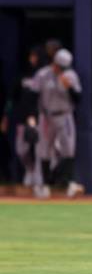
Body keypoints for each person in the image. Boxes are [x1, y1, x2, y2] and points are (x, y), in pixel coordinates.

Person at [30, 48, 84, 199]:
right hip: (47, 116)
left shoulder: (70, 76)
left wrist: (70, 88)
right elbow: (33, 95)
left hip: (65, 115)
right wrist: (32, 117)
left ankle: (68, 183)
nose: (60, 69)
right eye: (58, 66)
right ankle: (45, 185)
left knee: (69, 149)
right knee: (44, 150)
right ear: (54, 62)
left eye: (63, 67)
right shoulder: (42, 74)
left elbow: (78, 99)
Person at [1, 46, 43, 188]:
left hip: (39, 118)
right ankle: (29, 170)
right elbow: (12, 98)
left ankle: (38, 176)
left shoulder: (44, 75)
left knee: (39, 150)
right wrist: (6, 116)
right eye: (31, 55)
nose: (33, 59)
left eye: (35, 55)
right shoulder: (22, 76)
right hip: (22, 118)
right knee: (21, 150)